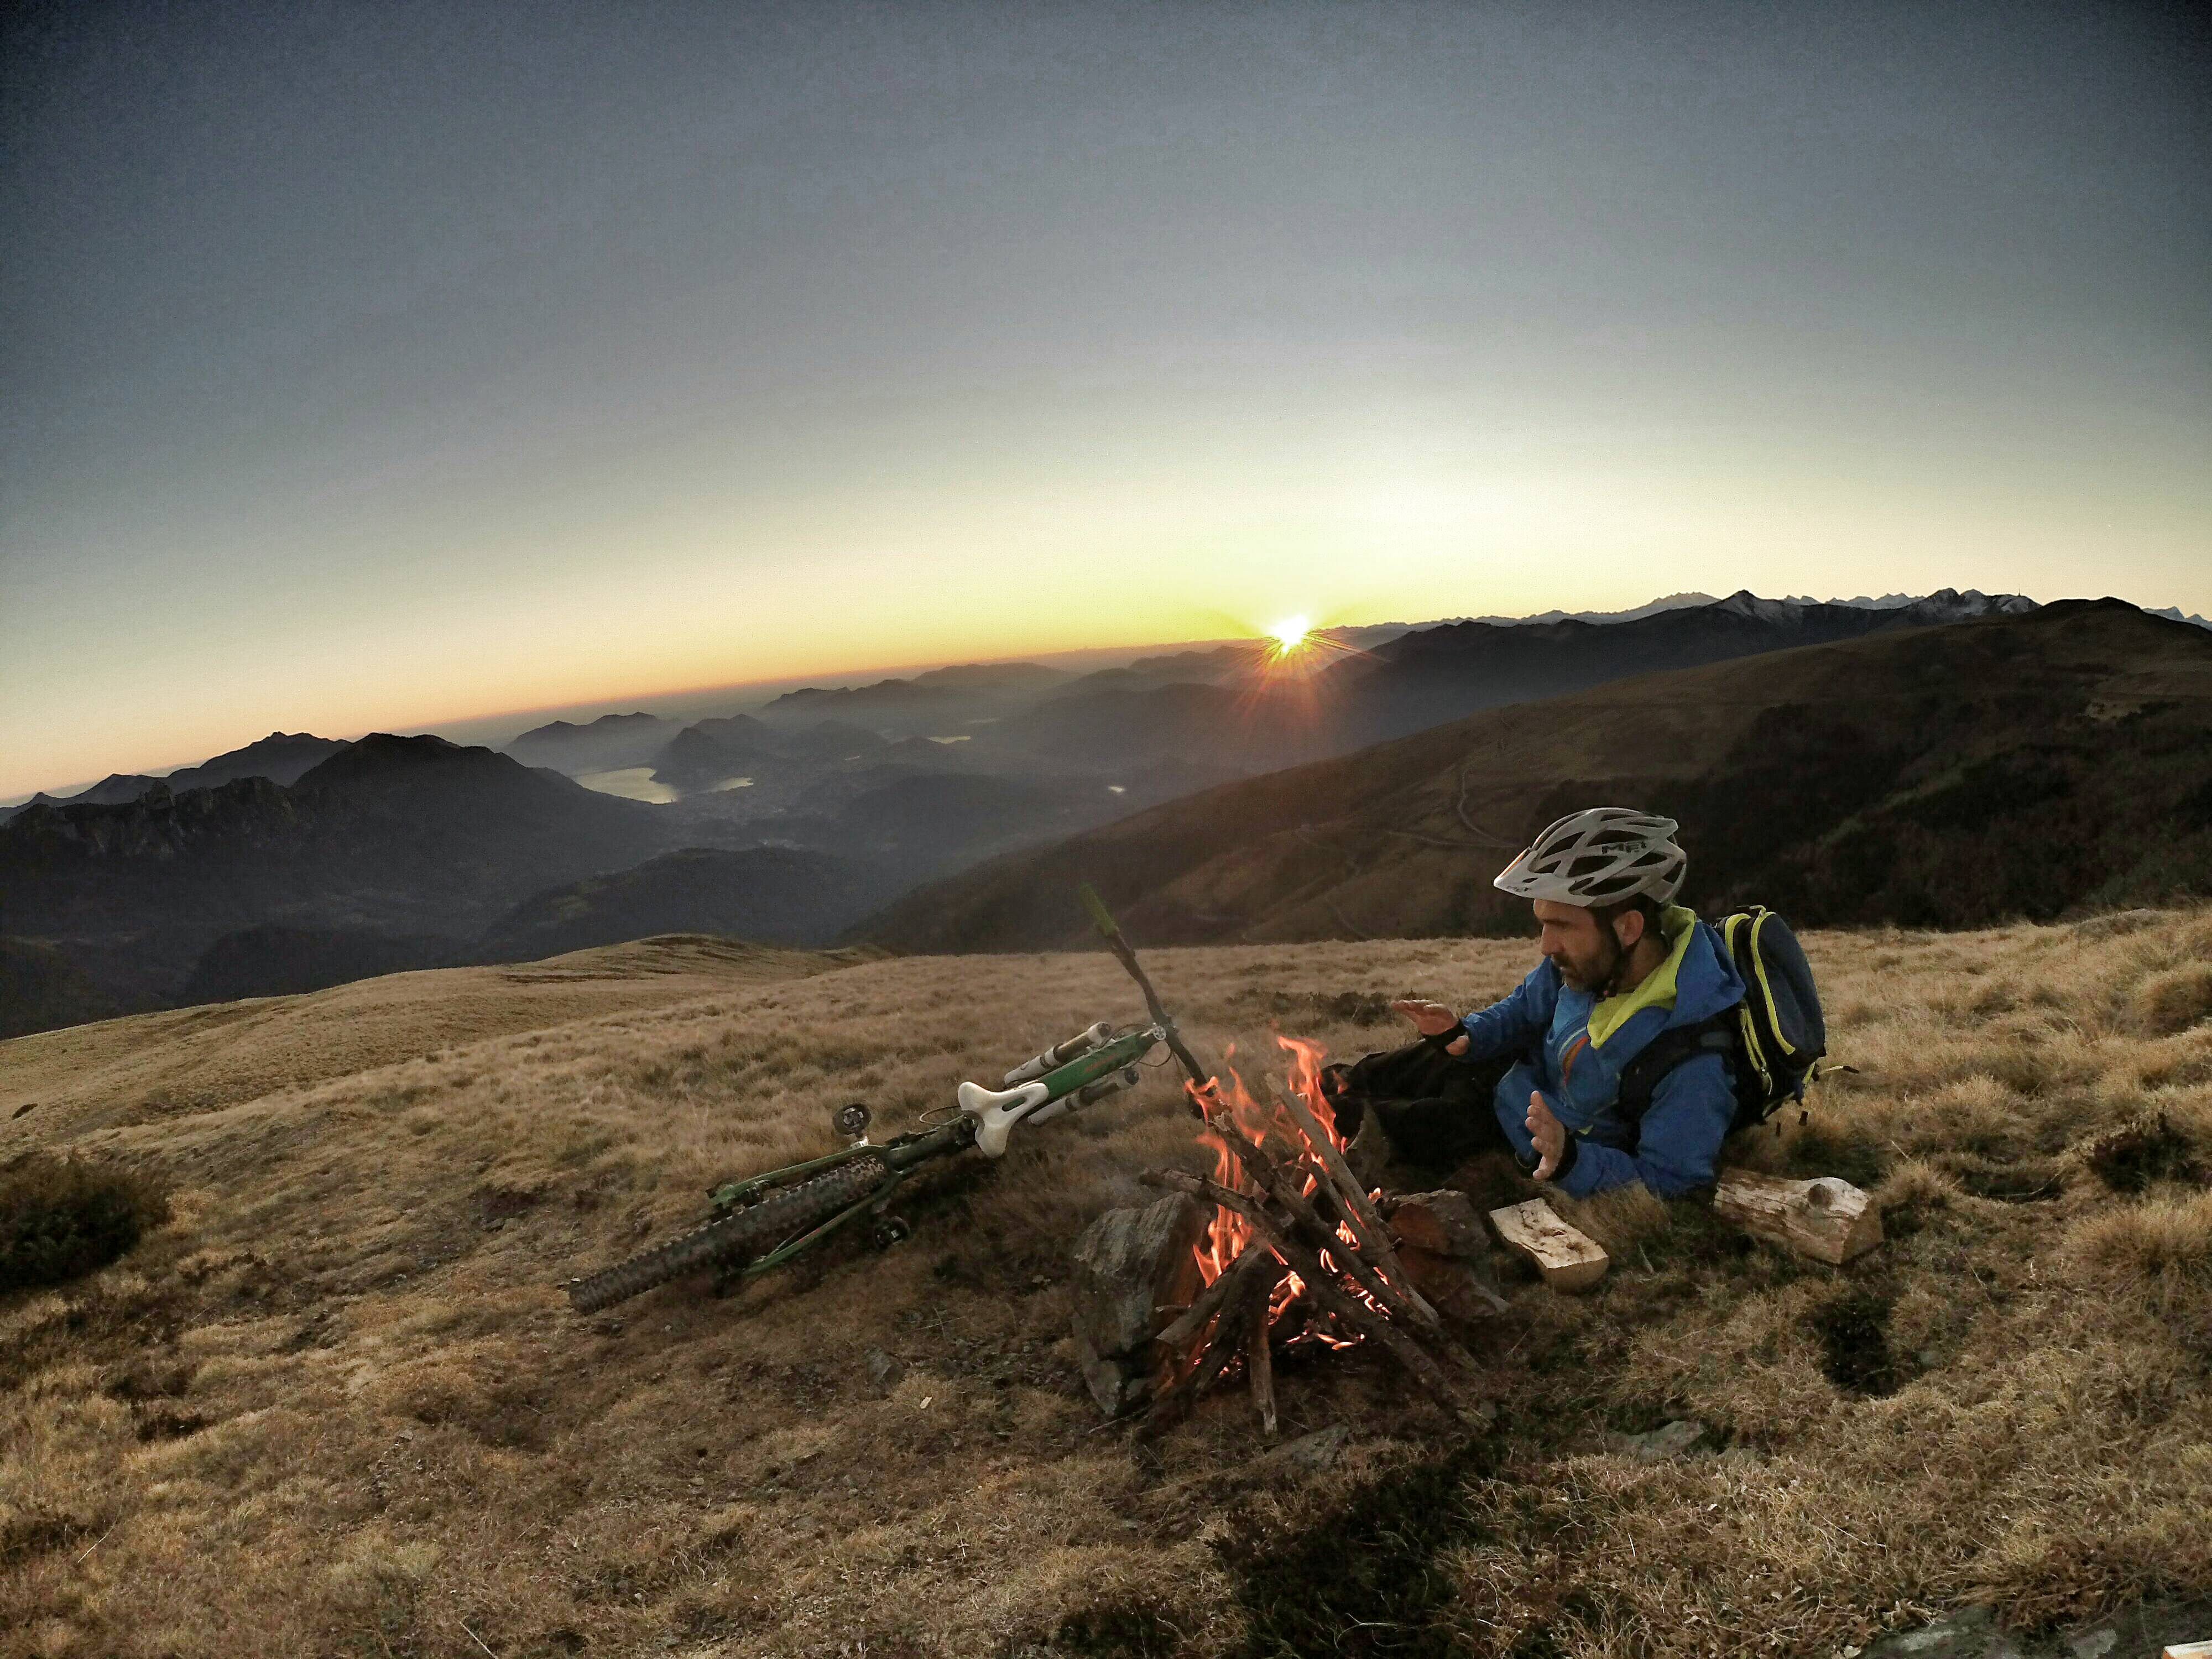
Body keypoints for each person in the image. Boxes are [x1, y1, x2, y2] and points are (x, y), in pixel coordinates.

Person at [1366, 807, 1747, 1198]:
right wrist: (1466, 1033)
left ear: (1628, 928)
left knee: (1367, 1122)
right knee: (1356, 1076)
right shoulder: (1592, 965)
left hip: (1515, 1136)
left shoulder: (1691, 1060)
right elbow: (1523, 1008)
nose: (1546, 946)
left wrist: (1571, 1161)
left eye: (1562, 925)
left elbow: (1673, 1183)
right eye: (1543, 923)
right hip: (1506, 1078)